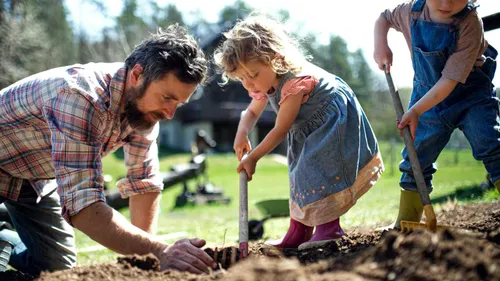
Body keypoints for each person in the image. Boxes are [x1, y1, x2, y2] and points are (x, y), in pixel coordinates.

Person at [0, 24, 217, 275]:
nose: (169, 114)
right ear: (137, 76)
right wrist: (161, 251)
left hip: (32, 176)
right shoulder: (79, 95)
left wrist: (145, 262)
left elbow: (143, 184)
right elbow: (84, 207)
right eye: (167, 98)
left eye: (178, 103)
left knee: (58, 270)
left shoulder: (144, 110)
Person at [214, 15, 384, 250]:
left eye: (253, 75)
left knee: (319, 170)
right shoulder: (264, 82)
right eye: (242, 78)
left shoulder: (295, 84)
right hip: (306, 127)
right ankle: (299, 230)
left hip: (330, 119)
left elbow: (280, 130)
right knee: (299, 174)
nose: (249, 84)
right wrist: (241, 134)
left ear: (274, 58)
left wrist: (253, 157)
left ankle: (329, 228)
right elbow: (251, 113)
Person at [374, 0, 498, 229]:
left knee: (489, 143)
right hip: (427, 97)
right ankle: (406, 221)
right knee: (415, 157)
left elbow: (450, 80)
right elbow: (384, 17)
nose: (445, 3)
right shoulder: (410, 13)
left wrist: (416, 110)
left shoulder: (470, 22)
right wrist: (381, 44)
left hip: (471, 98)